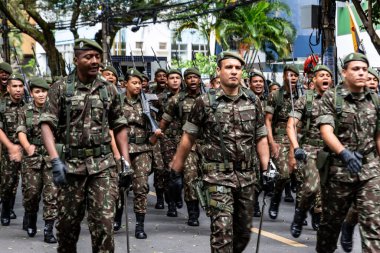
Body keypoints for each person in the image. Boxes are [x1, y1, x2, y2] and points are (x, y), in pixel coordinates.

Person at [170, 51, 270, 252]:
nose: (233, 72)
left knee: (242, 234)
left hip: (247, 177)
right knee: (222, 231)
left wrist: (267, 169)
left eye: (237, 68)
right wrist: (176, 169)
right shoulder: (205, 102)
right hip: (216, 177)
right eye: (228, 67)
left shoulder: (253, 101)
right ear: (219, 71)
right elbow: (188, 137)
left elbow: (261, 137)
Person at [39, 38, 130, 253]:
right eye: (88, 57)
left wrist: (125, 161)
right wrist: (54, 160)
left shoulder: (109, 89)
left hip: (103, 166)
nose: (94, 61)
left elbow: (120, 125)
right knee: (67, 229)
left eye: (97, 57)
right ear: (76, 59)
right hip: (70, 167)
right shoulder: (60, 88)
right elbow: (46, 125)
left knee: (104, 226)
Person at [316, 53, 380, 253]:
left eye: (364, 69)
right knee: (330, 226)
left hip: (369, 171)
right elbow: (326, 131)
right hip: (339, 172)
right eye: (355, 69)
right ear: (344, 72)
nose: (361, 73)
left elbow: (378, 136)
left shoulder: (375, 99)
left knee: (373, 226)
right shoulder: (332, 97)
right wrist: (344, 153)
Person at [286, 65, 333, 238]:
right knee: (312, 187)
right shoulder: (305, 100)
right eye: (321, 75)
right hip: (310, 150)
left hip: (331, 151)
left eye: (328, 75)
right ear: (314, 80)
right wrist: (295, 148)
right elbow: (291, 125)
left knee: (329, 192)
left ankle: (320, 218)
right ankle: (300, 214)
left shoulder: (338, 101)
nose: (325, 77)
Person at [339, 65, 380, 252]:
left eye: (374, 80)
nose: (371, 82)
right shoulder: (349, 100)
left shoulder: (377, 102)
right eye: (369, 79)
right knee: (365, 204)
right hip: (362, 161)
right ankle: (349, 224)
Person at [159, 67, 203, 226]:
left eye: (195, 77)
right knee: (190, 178)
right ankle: (193, 213)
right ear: (185, 81)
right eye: (189, 77)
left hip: (208, 146)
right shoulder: (176, 99)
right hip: (188, 146)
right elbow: (164, 122)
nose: (192, 80)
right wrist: (155, 138)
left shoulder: (209, 98)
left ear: (199, 80)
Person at [17, 77, 57, 243]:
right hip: (32, 159)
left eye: (44, 91)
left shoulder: (54, 110)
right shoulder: (25, 111)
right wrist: (27, 147)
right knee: (32, 193)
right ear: (32, 93)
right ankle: (31, 216)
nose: (41, 95)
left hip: (50, 157)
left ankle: (49, 230)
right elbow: (21, 131)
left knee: (51, 195)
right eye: (37, 92)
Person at [265, 65, 300, 220]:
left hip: (299, 139)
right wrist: (271, 142)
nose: (292, 78)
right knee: (284, 175)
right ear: (284, 77)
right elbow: (268, 120)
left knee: (301, 178)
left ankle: (301, 212)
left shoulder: (304, 96)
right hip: (280, 138)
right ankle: (275, 199)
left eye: (295, 75)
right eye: (289, 75)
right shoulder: (275, 96)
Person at [151, 69, 183, 217]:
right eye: (172, 78)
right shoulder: (161, 98)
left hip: (184, 138)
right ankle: (170, 204)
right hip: (167, 138)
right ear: (167, 81)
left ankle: (178, 195)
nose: (175, 80)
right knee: (169, 171)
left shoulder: (187, 97)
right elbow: (154, 116)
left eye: (178, 78)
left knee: (184, 173)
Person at [0, 73, 25, 226]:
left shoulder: (28, 106)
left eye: (20, 86)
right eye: (14, 86)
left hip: (26, 149)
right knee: (8, 182)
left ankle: (29, 217)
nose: (18, 90)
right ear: (8, 88)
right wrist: (10, 147)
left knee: (28, 184)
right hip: (8, 148)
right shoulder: (2, 106)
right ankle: (6, 209)